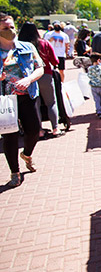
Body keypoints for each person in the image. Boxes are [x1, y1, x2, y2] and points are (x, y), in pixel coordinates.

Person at [0, 13, 44, 187]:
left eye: (11, 27)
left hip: (28, 95)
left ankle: (26, 154)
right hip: (6, 100)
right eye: (5, 28)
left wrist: (29, 79)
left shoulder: (26, 47)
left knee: (34, 130)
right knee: (9, 136)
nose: (10, 30)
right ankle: (15, 172)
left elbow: (39, 67)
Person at [17, 22, 63, 139]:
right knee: (51, 102)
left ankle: (40, 130)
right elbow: (55, 61)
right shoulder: (43, 43)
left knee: (35, 104)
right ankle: (55, 128)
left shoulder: (19, 45)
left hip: (27, 78)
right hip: (45, 75)